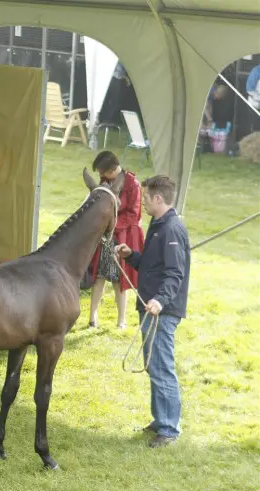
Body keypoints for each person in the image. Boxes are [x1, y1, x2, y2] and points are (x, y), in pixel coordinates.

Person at [116, 175, 190, 448]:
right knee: (154, 366)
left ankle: (169, 428)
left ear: (159, 198)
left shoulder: (171, 229)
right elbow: (151, 264)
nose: (143, 201)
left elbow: (174, 273)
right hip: (150, 307)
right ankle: (161, 420)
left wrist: (160, 300)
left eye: (146, 197)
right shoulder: (158, 225)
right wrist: (130, 255)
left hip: (162, 310)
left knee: (161, 367)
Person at [83, 151, 145, 329]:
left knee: (119, 279)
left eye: (103, 173)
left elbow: (133, 215)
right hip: (106, 237)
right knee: (100, 276)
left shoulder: (133, 184)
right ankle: (93, 317)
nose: (101, 177)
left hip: (123, 236)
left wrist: (111, 226)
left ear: (111, 171)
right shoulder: (106, 182)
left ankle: (121, 320)